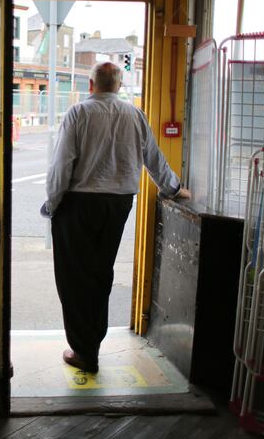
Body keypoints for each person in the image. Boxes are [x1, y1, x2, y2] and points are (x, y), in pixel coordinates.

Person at [41, 61, 191, 373]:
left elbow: (61, 165)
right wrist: (174, 188)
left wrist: (52, 204)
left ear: (91, 86)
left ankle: (84, 351)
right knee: (100, 273)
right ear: (119, 87)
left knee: (73, 278)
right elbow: (154, 158)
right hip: (119, 204)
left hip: (78, 203)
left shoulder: (78, 113)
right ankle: (92, 342)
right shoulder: (135, 114)